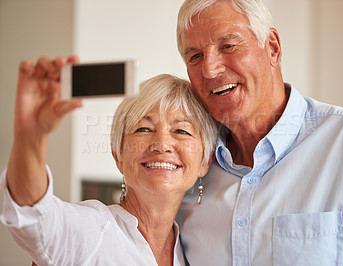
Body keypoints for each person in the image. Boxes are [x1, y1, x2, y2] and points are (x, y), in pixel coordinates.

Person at [175, 0, 343, 265]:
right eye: (195, 56)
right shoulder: (189, 167)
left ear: (272, 48)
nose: (210, 69)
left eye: (228, 45)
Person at [0, 56, 218, 265]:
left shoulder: (193, 253)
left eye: (181, 130)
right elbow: (35, 216)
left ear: (205, 161)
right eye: (143, 128)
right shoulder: (92, 230)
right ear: (118, 155)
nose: (161, 144)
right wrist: (30, 136)